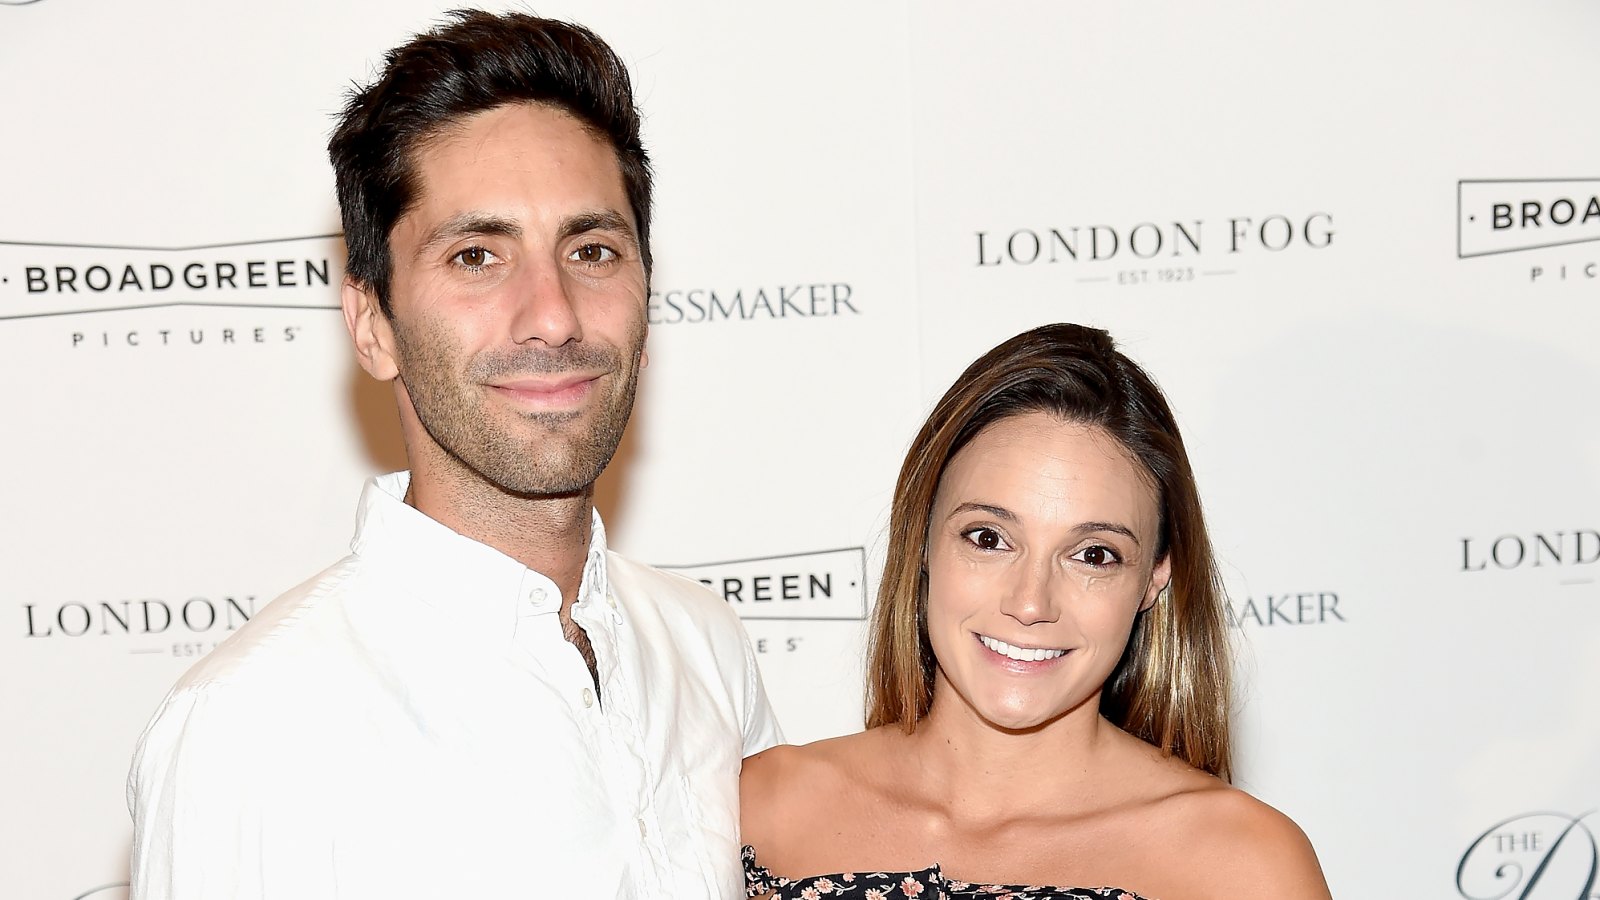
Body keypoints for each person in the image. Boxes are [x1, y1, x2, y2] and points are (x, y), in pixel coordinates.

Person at [126, 12, 780, 899]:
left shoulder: (706, 647)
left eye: (592, 250)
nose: (552, 314)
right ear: (372, 325)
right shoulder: (254, 725)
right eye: (477, 256)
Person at [740, 324, 1330, 899]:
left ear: (1155, 577)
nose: (1030, 603)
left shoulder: (1244, 864)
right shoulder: (763, 810)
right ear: (921, 541)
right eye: (989, 538)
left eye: (1094, 555)